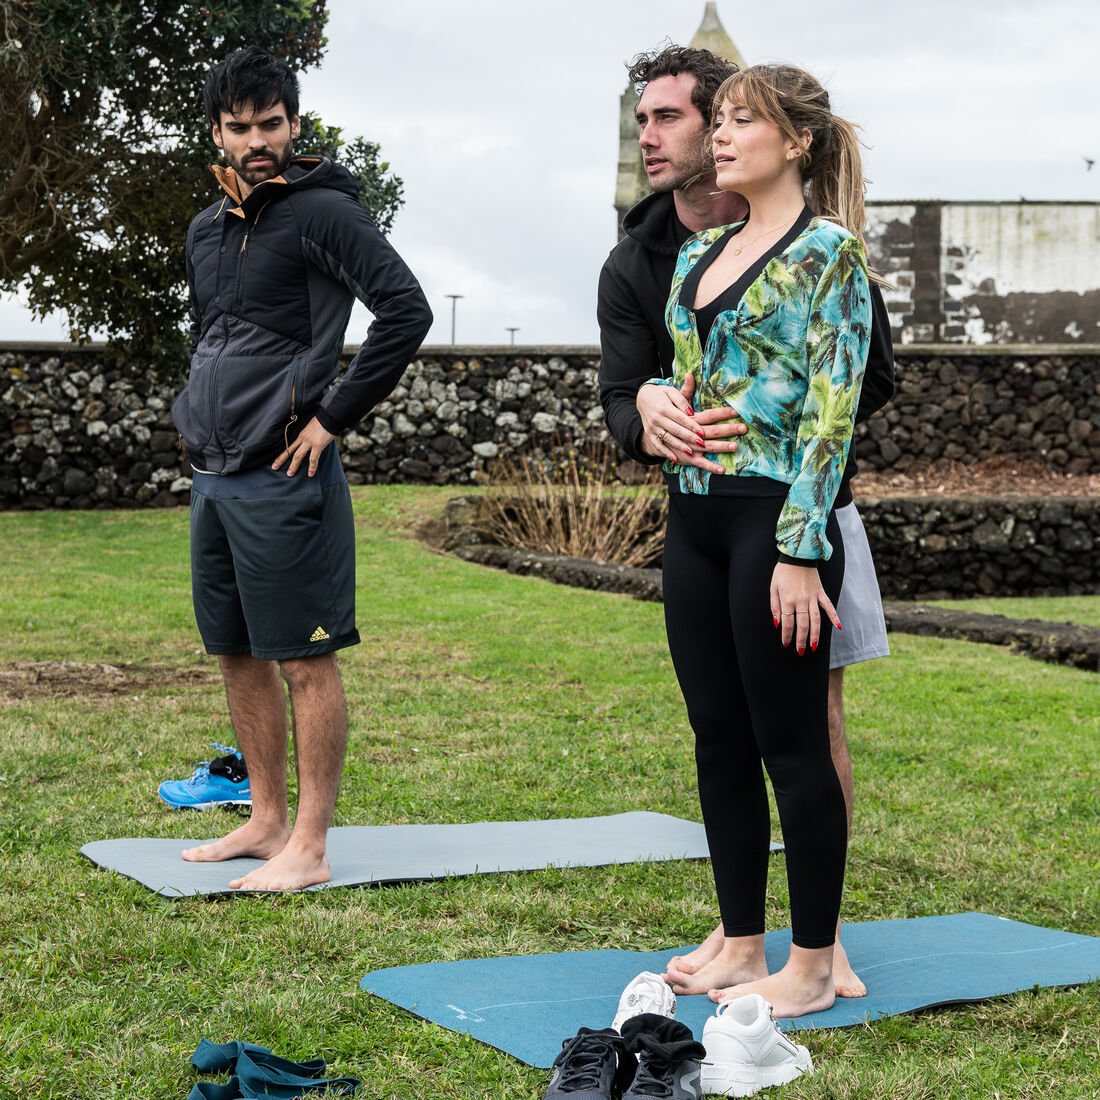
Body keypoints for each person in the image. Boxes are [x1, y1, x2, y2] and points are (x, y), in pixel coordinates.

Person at [598, 45, 893, 1004]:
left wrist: (804, 551)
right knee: (716, 736)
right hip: (694, 521)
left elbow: (832, 414)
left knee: (793, 741)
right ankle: (742, 944)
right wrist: (649, 394)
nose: (718, 136)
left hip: (777, 522)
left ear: (796, 140)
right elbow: (676, 377)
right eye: (713, 123)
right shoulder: (690, 254)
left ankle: (813, 964)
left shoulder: (830, 255)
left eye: (739, 122)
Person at [172, 47, 433, 891]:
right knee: (237, 652)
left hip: (287, 474)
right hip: (215, 474)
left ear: (293, 124)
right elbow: (215, 339)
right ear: (216, 131)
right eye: (239, 127)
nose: (256, 141)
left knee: (303, 660)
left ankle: (311, 846)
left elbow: (405, 309)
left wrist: (331, 416)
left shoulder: (324, 214)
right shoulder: (205, 230)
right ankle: (265, 821)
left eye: (271, 125)